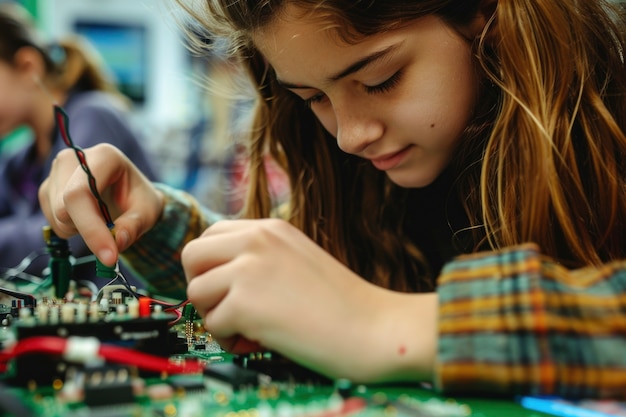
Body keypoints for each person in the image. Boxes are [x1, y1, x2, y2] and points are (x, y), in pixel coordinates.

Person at [39, 0, 626, 400]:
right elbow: (310, 290)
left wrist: (386, 325)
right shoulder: (385, 170)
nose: (348, 135)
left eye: (380, 81)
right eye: (313, 97)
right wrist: (156, 219)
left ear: (481, 12)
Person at [0, 3, 158, 279]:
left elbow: (67, 234)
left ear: (28, 66)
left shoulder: (93, 115)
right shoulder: (19, 160)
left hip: (119, 306)